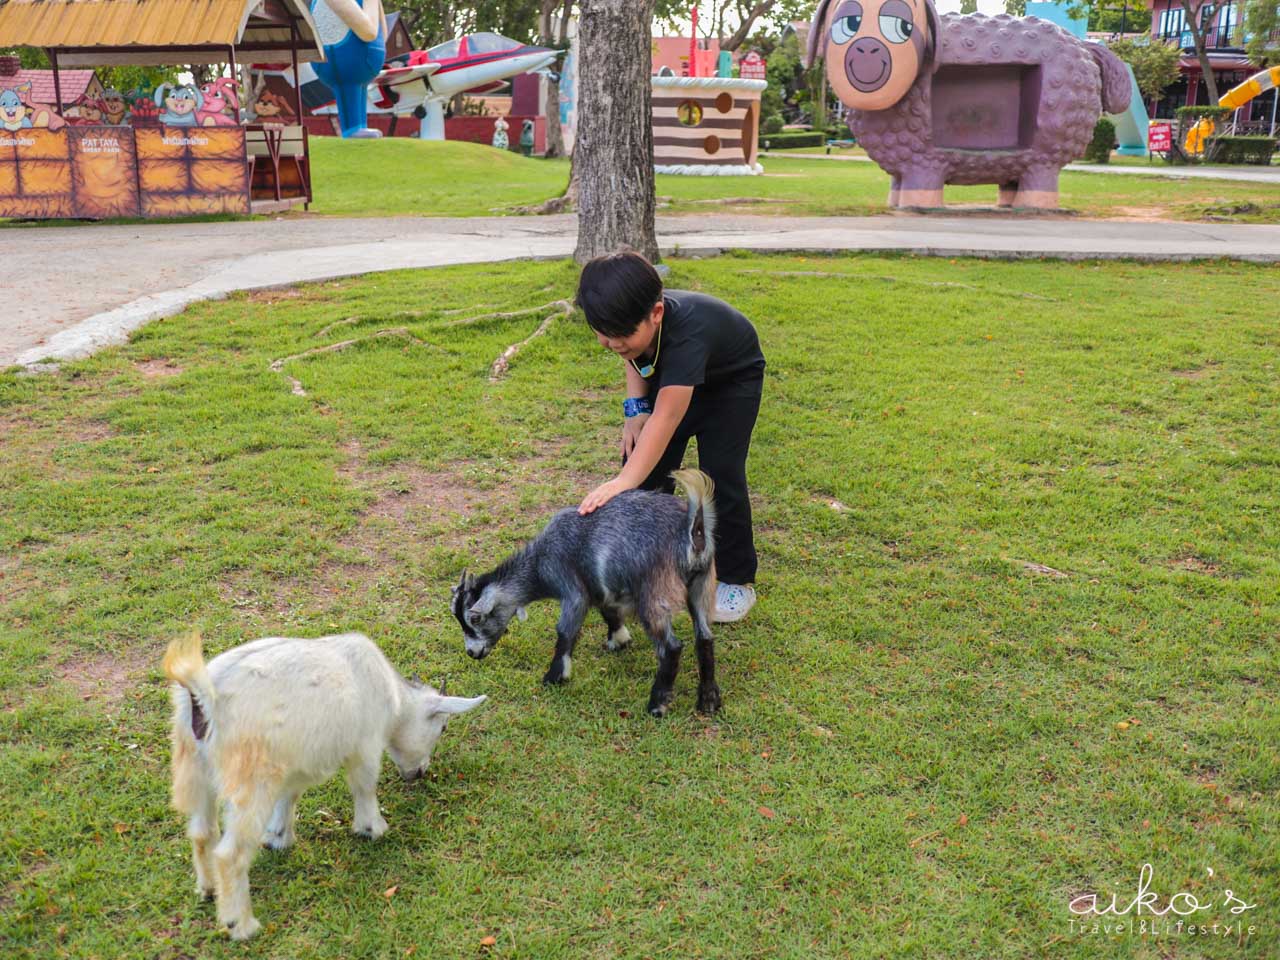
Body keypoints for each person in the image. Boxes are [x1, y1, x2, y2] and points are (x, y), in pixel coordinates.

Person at [576, 251, 765, 623]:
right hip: (676, 380)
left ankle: (735, 580)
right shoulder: (631, 322)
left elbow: (667, 416)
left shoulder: (687, 333)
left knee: (719, 476)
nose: (611, 342)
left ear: (657, 314)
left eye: (620, 334)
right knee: (645, 474)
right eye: (602, 333)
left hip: (730, 383)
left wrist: (623, 479)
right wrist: (634, 411)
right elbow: (634, 357)